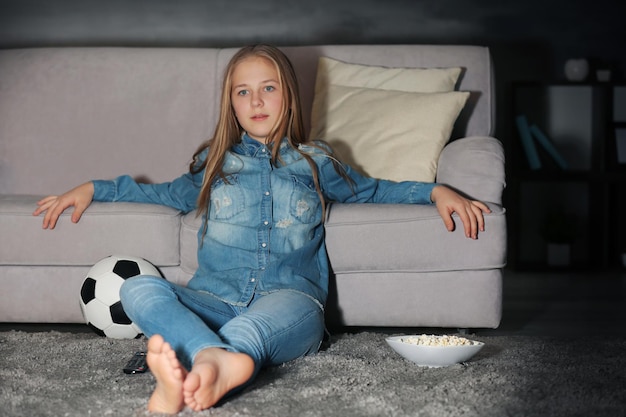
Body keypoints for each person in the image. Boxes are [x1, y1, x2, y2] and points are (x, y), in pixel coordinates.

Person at [33, 44, 491, 414]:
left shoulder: (317, 161)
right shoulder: (213, 164)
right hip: (212, 299)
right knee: (137, 290)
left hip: (290, 303)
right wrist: (94, 188)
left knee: (252, 330)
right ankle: (209, 368)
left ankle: (196, 366)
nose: (255, 101)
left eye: (267, 88)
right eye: (242, 92)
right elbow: (161, 194)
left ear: (287, 94)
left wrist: (434, 192)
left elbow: (371, 191)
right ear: (230, 103)